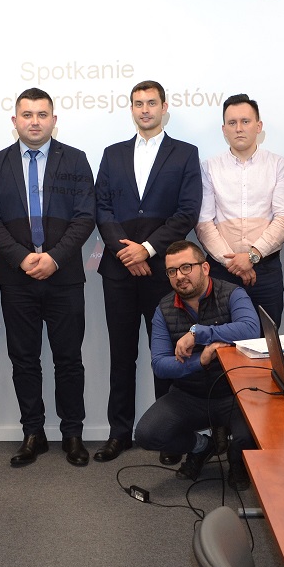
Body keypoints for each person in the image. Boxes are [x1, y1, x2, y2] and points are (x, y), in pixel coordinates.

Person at [0, 88, 96, 467]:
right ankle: (33, 433)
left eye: (42, 114)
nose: (34, 121)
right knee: (24, 360)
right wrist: (22, 258)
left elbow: (85, 217)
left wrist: (54, 259)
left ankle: (73, 434)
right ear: (15, 121)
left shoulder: (75, 160)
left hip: (64, 278)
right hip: (18, 279)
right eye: (27, 115)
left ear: (53, 120)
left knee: (69, 360)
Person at [92, 80, 201, 463]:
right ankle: (119, 433)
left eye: (151, 103)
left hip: (165, 273)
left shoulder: (185, 153)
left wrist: (148, 249)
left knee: (167, 357)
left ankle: (169, 437)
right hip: (119, 271)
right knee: (121, 356)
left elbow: (187, 212)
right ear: (132, 109)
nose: (145, 110)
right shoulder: (113, 154)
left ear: (164, 107)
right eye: (138, 103)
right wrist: (127, 252)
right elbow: (102, 208)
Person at [134, 241, 259, 488]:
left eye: (186, 267)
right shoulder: (163, 309)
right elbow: (160, 365)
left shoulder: (232, 293)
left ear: (205, 268)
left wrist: (199, 333)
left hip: (235, 393)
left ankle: (237, 459)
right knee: (147, 435)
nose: (179, 276)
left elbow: (251, 329)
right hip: (189, 395)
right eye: (172, 271)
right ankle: (203, 446)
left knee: (252, 435)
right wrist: (199, 361)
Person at [196, 93, 284, 326]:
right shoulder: (209, 167)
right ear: (224, 129)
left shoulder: (278, 165)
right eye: (232, 123)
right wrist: (233, 264)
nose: (239, 128)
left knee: (266, 339)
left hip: (266, 270)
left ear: (258, 126)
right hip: (222, 271)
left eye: (245, 121)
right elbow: (203, 223)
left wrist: (252, 256)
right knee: (221, 340)